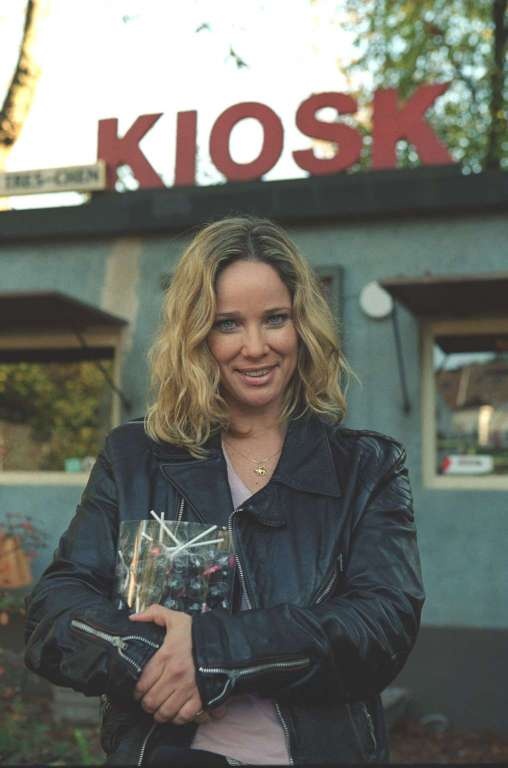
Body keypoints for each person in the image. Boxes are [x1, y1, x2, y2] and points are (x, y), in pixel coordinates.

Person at [24, 216, 425, 766]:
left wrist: (212, 654)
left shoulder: (367, 467)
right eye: (228, 323)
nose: (255, 347)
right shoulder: (135, 457)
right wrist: (154, 658)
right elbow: (54, 612)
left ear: (303, 325)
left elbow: (382, 626)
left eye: (275, 319)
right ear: (196, 335)